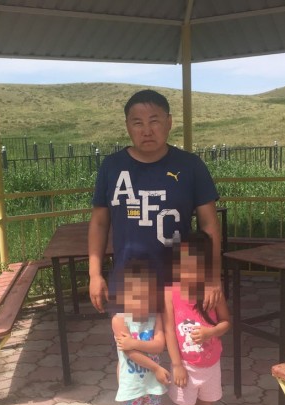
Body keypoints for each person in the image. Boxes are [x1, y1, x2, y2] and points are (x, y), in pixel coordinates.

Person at [88, 88, 223, 314]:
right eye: (137, 123)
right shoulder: (112, 167)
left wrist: (212, 277)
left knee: (183, 338)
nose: (147, 131)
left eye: (154, 121)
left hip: (182, 284)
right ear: (127, 126)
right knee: (131, 338)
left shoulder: (191, 166)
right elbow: (100, 223)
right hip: (129, 285)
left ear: (169, 122)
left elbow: (209, 224)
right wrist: (94, 274)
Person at [164, 231, 231, 405]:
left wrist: (210, 332)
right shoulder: (170, 293)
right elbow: (169, 331)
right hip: (185, 367)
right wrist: (176, 365)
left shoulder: (213, 292)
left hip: (211, 365)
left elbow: (226, 322)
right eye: (182, 263)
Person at [113, 258, 176, 405]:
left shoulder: (155, 317)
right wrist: (157, 368)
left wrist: (135, 343)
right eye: (134, 296)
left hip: (151, 385)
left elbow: (159, 345)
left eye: (145, 296)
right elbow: (129, 354)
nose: (140, 302)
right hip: (132, 386)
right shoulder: (119, 320)